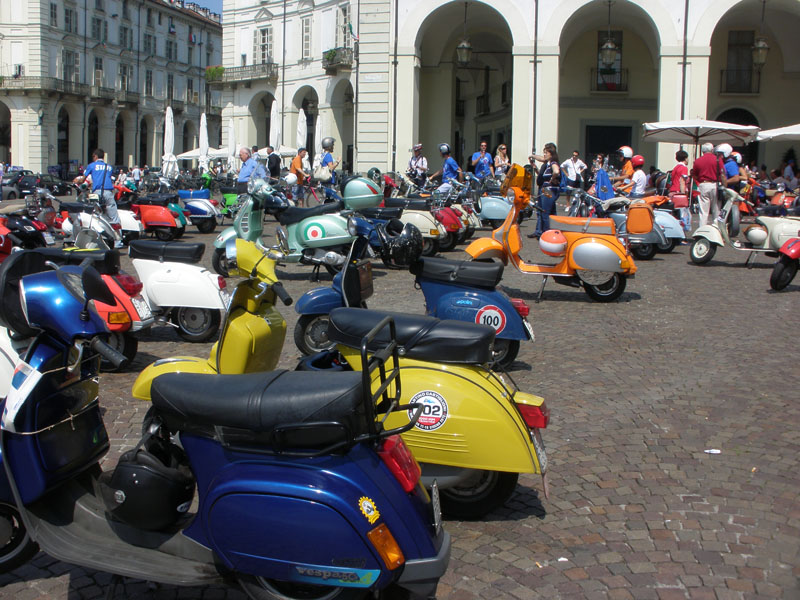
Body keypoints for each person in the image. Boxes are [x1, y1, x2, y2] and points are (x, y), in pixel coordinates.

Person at [528, 142, 561, 239]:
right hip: (546, 189)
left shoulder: (553, 163)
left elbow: (556, 171)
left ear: (551, 153)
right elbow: (541, 159)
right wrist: (532, 157)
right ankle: (552, 232)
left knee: (545, 213)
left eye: (546, 152)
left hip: (549, 189)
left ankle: (547, 234)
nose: (544, 154)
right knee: (549, 212)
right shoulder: (547, 164)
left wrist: (552, 178)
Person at [82, 148, 121, 230]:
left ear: (95, 156)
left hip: (95, 192)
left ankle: (95, 233)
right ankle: (117, 241)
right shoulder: (109, 167)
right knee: (114, 217)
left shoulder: (91, 165)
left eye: (93, 156)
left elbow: (83, 179)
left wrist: (76, 181)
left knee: (93, 214)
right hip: (108, 192)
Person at [690, 142, 726, 227]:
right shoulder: (717, 160)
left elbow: (694, 174)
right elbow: (722, 174)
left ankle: (702, 230)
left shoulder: (698, 161)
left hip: (703, 184)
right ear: (712, 150)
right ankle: (717, 229)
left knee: (703, 211)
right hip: (715, 185)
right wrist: (724, 185)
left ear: (702, 151)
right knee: (716, 210)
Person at [668, 149, 691, 234]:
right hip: (678, 193)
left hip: (672, 192)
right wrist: (684, 194)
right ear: (685, 158)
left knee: (675, 215)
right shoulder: (683, 168)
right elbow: (682, 181)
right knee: (682, 216)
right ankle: (682, 235)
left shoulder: (675, 168)